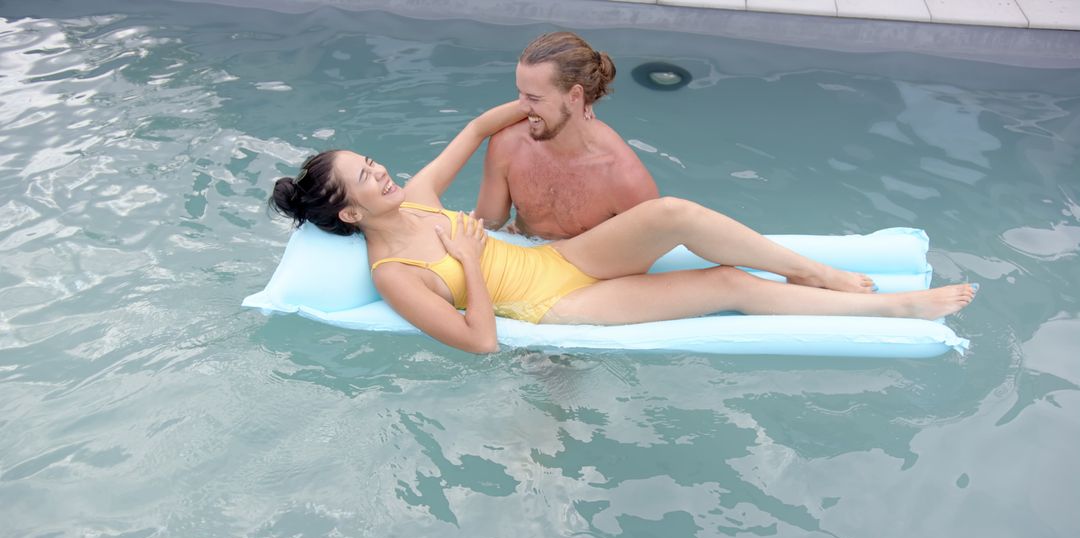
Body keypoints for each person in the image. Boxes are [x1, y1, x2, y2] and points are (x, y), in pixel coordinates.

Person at [269, 102, 976, 354]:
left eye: (373, 161)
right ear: (353, 213)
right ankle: (893, 305)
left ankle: (814, 272)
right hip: (555, 305)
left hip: (563, 258)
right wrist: (470, 260)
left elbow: (478, 128)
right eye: (369, 177)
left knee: (674, 215)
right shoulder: (397, 278)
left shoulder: (419, 197)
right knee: (725, 283)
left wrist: (545, 106)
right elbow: (481, 343)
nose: (385, 171)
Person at [475, 32, 659, 239]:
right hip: (522, 257)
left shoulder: (624, 178)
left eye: (534, 97)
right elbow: (486, 228)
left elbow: (644, 258)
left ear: (575, 95)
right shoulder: (508, 145)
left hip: (585, 268)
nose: (522, 107)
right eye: (521, 93)